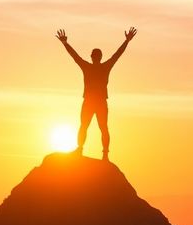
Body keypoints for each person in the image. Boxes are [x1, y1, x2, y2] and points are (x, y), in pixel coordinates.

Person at [56, 26, 137, 161]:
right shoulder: (91, 67)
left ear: (97, 57)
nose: (95, 58)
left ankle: (103, 154)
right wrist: (65, 44)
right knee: (87, 126)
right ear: (94, 57)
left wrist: (127, 41)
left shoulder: (99, 67)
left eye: (96, 56)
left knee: (101, 127)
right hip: (91, 101)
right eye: (95, 56)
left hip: (97, 102)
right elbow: (75, 56)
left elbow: (117, 54)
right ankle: (82, 150)